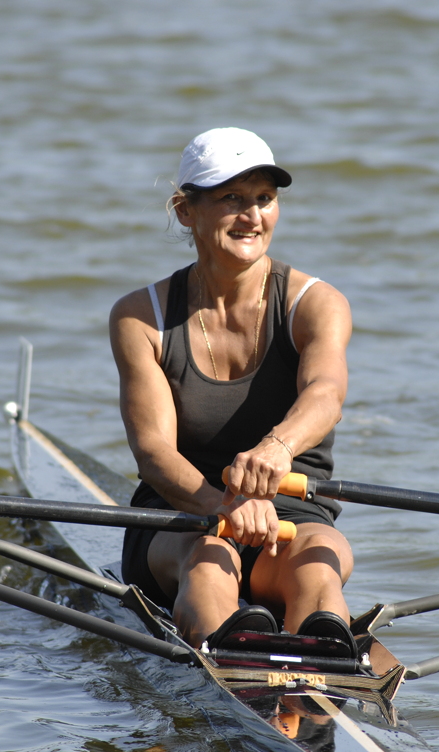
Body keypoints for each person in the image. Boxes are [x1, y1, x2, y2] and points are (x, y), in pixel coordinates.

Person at [109, 127, 356, 653]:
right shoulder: (140, 317)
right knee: (209, 560)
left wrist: (277, 450)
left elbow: (326, 393)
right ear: (185, 211)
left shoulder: (316, 303)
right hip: (181, 512)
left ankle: (326, 659)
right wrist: (224, 504)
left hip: (291, 508)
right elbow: (153, 452)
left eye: (265, 199)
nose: (252, 217)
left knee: (320, 560)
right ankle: (231, 655)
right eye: (231, 199)